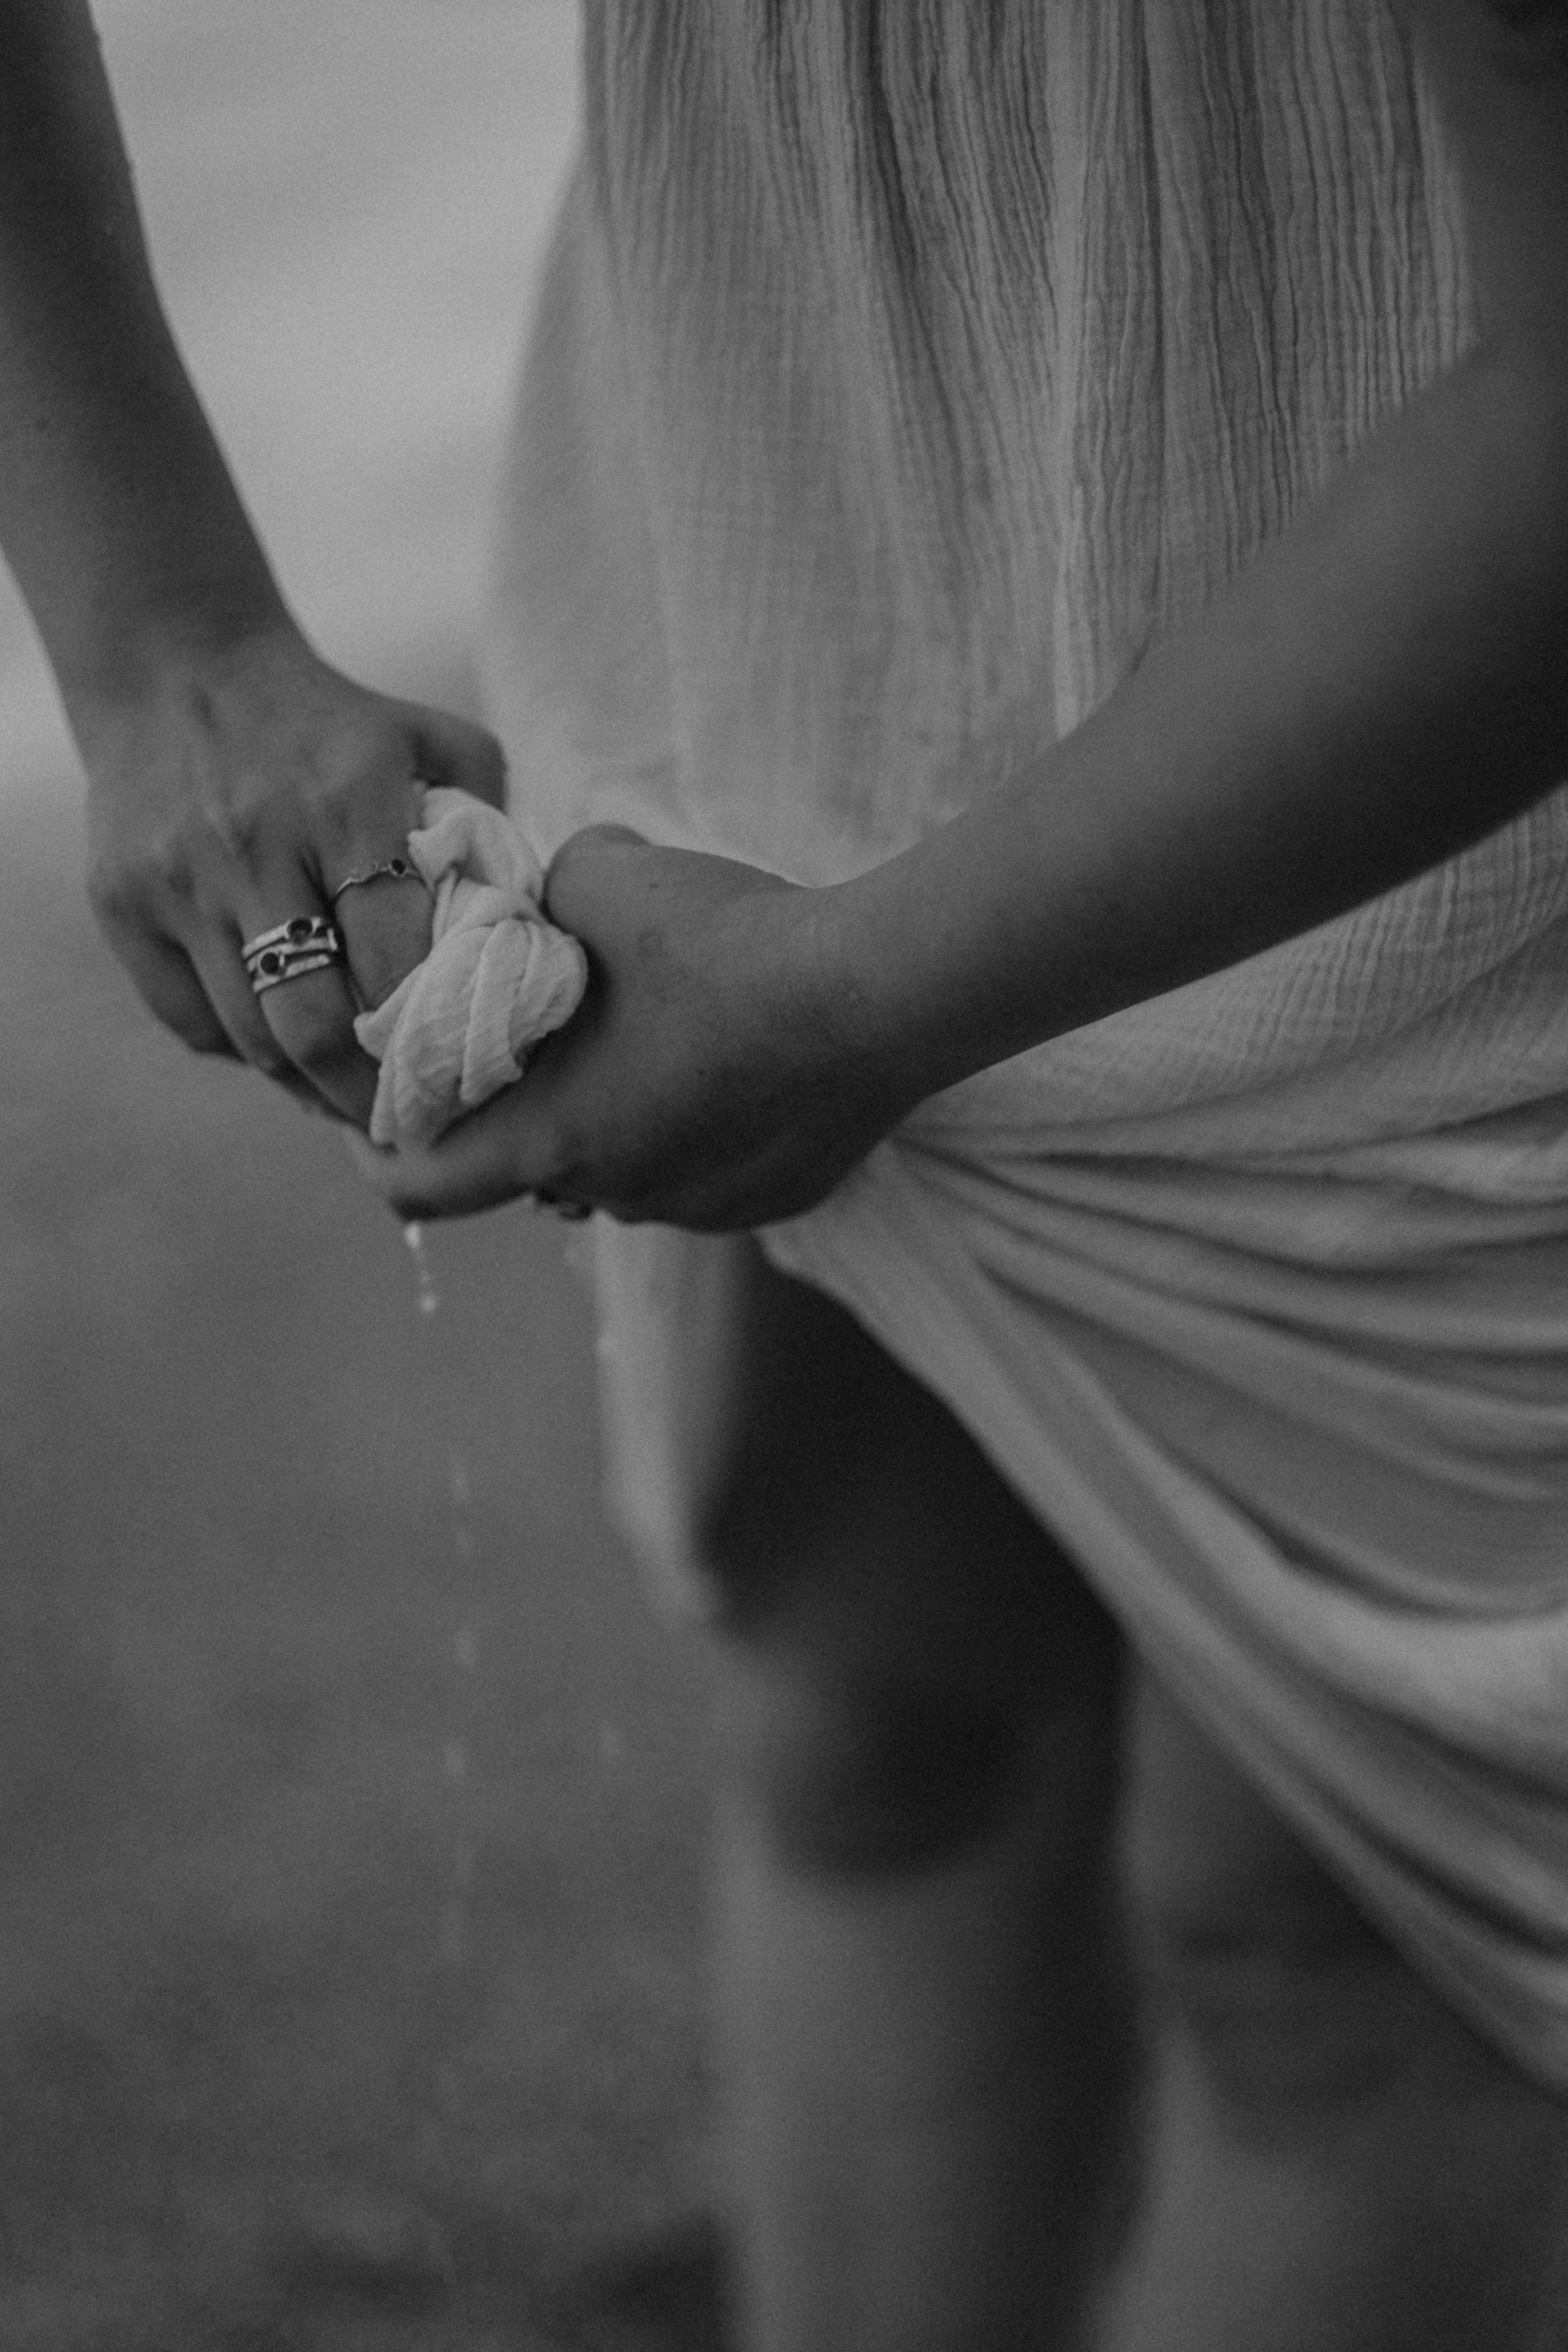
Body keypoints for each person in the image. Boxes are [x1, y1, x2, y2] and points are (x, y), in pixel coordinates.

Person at [4, 1, 1568, 2345]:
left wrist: (856, 1003)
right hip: (777, 507)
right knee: (872, 1716)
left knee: (1325, 1947)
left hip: (1412, 742)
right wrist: (158, 635)